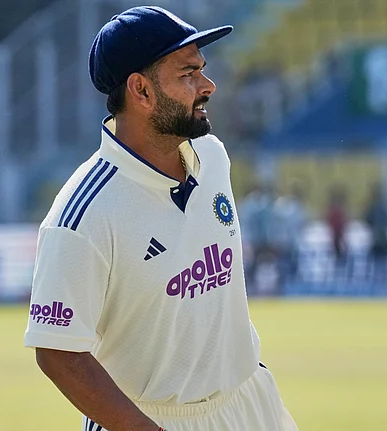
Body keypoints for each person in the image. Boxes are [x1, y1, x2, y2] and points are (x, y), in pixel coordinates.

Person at [23, 7, 298, 431]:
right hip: (151, 418)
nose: (208, 85)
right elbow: (57, 352)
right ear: (141, 91)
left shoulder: (212, 156)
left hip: (247, 400)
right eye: (188, 73)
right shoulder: (82, 214)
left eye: (201, 70)